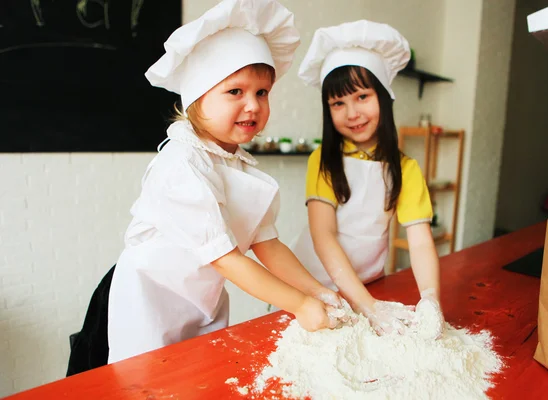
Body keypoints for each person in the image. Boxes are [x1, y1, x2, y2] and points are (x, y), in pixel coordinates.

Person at [67, 0, 349, 374]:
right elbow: (227, 258)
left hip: (198, 300)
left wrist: (317, 290)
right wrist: (299, 305)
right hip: (146, 304)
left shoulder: (233, 161)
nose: (253, 105)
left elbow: (267, 243)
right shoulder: (181, 165)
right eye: (236, 92)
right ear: (198, 99)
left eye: (262, 92)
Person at [292, 20, 444, 336]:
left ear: (385, 97)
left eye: (362, 96)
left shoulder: (406, 169)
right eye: (338, 103)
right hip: (314, 285)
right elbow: (324, 236)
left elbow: (418, 241)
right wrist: (367, 305)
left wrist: (430, 298)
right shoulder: (322, 160)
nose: (352, 113)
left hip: (370, 283)